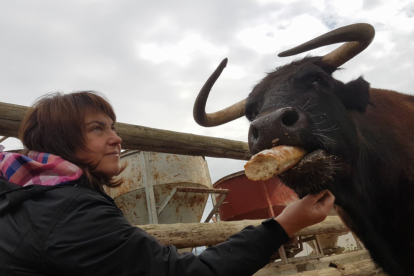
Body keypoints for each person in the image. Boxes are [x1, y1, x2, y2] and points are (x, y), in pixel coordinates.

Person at [0, 91, 335, 276]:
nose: (117, 139)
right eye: (97, 128)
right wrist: (284, 225)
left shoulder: (27, 195)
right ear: (62, 140)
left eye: (113, 127)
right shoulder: (71, 212)